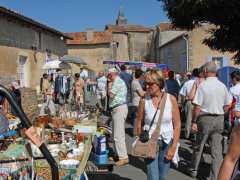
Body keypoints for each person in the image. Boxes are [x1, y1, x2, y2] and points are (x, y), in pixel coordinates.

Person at [135, 70, 181, 180]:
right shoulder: (144, 100)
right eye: (145, 83)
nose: (146, 86)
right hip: (150, 142)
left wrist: (173, 147)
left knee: (162, 176)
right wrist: (140, 138)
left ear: (159, 83)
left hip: (166, 143)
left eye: (150, 84)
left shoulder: (171, 99)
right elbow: (139, 122)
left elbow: (178, 124)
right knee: (153, 177)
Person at [189, 62, 232, 180]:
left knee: (199, 145)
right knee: (216, 150)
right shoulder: (222, 85)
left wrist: (193, 121)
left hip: (205, 118)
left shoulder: (203, 85)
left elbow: (197, 106)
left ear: (205, 71)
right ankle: (216, 175)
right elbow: (228, 104)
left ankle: (194, 170)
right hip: (219, 118)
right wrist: (222, 112)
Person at [108, 68, 129, 166]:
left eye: (109, 75)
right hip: (116, 108)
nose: (108, 77)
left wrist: (109, 86)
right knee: (115, 134)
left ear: (113, 74)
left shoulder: (117, 82)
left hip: (119, 108)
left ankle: (123, 157)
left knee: (118, 134)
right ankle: (117, 154)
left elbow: (111, 95)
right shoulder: (117, 81)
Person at [179, 68, 199, 138]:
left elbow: (182, 94)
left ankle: (187, 134)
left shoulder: (187, 83)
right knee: (197, 119)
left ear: (192, 74)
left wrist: (182, 104)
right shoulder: (201, 82)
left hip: (189, 102)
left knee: (188, 118)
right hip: (198, 102)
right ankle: (196, 135)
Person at [131, 69, 145, 133]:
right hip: (137, 102)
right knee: (137, 117)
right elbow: (141, 94)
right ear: (140, 75)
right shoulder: (136, 83)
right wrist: (148, 92)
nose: (143, 76)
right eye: (142, 75)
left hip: (136, 101)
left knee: (137, 117)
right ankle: (136, 132)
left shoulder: (135, 82)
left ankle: (135, 131)